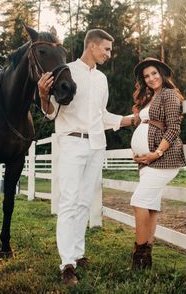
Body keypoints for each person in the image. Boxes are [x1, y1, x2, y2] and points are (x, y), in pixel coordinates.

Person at [38, 29, 134, 286]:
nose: (108, 54)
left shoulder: (102, 79)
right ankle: (66, 264)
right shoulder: (65, 70)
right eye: (106, 49)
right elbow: (51, 113)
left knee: (83, 203)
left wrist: (132, 119)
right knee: (68, 202)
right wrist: (43, 96)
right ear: (92, 46)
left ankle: (78, 255)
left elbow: (102, 115)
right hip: (71, 142)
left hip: (96, 145)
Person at [129, 57, 186, 269]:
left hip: (164, 159)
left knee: (139, 201)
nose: (151, 78)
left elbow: (173, 128)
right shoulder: (150, 98)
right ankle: (146, 259)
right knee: (150, 205)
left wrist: (156, 152)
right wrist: (140, 153)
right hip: (147, 161)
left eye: (154, 73)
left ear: (162, 73)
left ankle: (139, 254)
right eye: (146, 76)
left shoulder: (169, 95)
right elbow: (143, 124)